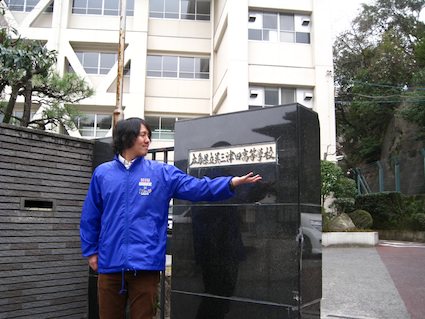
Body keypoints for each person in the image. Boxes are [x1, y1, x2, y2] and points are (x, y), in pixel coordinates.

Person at [79, 117, 262, 319]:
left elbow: (198, 188)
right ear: (126, 137)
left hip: (145, 265)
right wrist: (91, 252)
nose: (147, 140)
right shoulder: (103, 174)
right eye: (142, 135)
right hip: (109, 265)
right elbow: (91, 216)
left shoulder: (161, 173)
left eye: (148, 135)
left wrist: (231, 182)